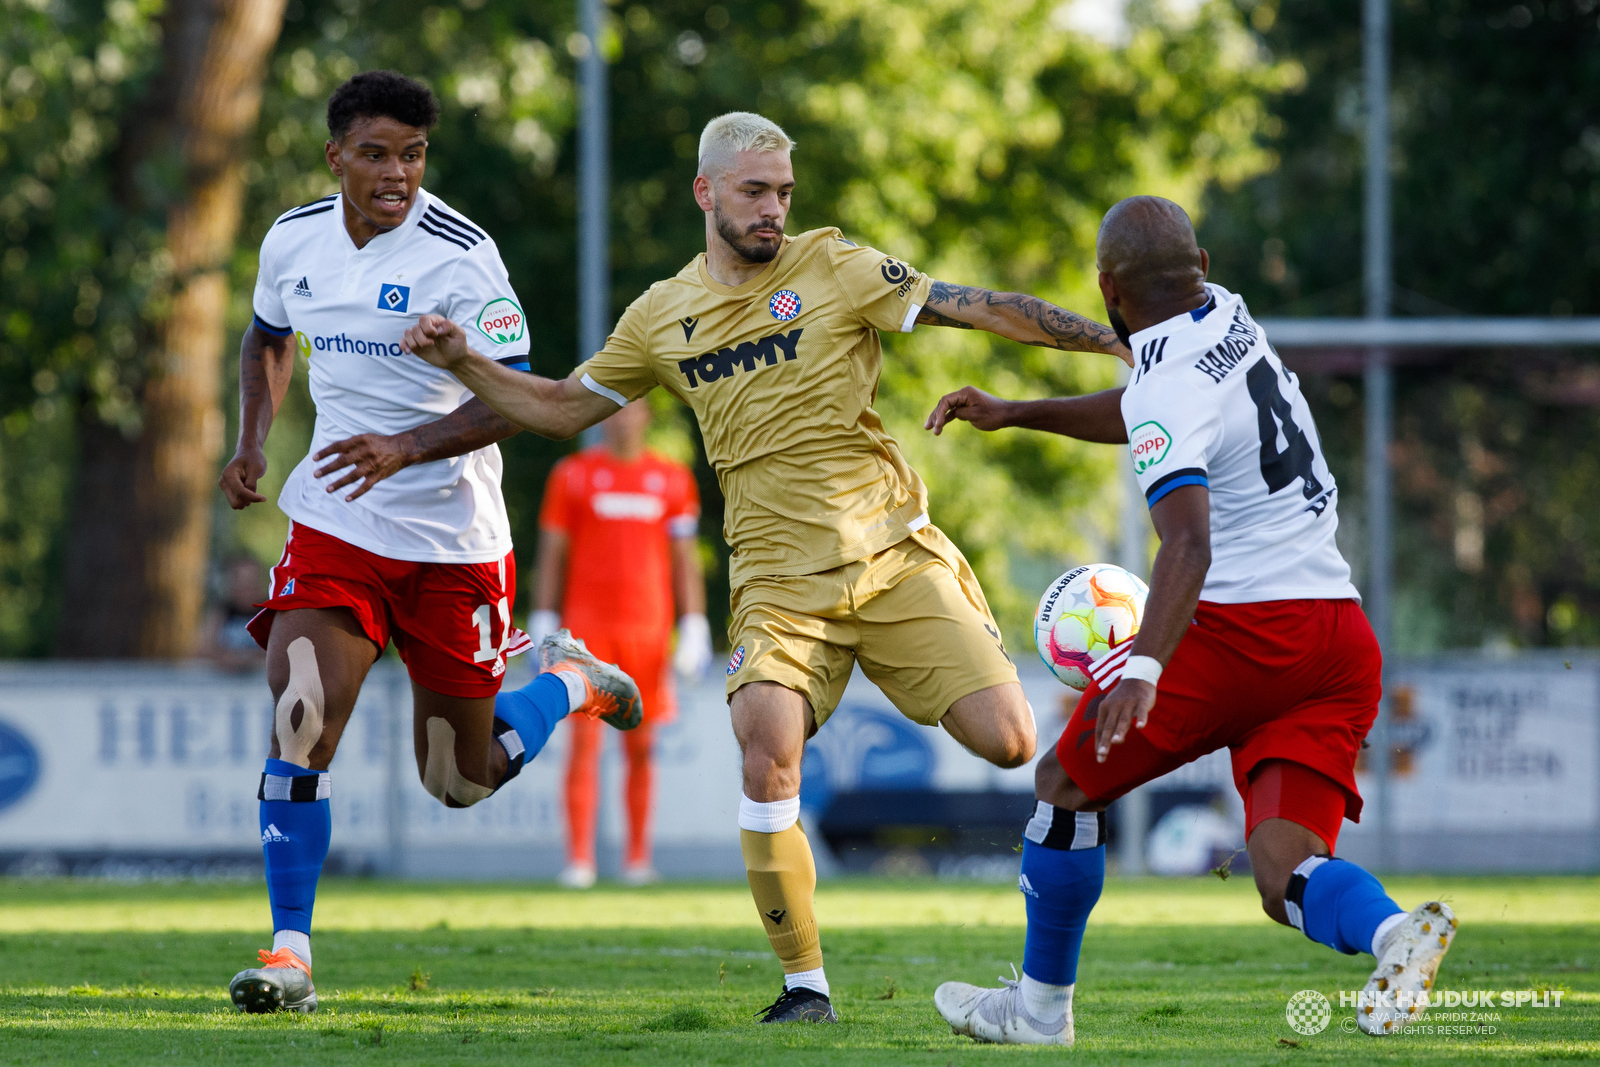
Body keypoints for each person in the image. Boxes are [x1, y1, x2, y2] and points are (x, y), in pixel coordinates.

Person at [398, 111, 1130, 1024]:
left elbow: (974, 305)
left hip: (894, 558)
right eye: (754, 191)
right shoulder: (662, 315)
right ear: (706, 192)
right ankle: (805, 986)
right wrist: (465, 359)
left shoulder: (837, 265)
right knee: (767, 754)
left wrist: (1116, 341)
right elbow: (551, 411)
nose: (773, 209)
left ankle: (1021, 977)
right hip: (779, 588)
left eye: (783, 192)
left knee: (1013, 741)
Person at [923, 196, 1456, 1045]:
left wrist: (1144, 667)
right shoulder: (1230, 314)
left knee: (1064, 786)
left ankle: (1039, 1012)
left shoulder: (1167, 385)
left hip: (1248, 632)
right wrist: (1020, 411)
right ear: (1200, 263)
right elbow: (1149, 411)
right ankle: (1397, 934)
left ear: (1107, 287)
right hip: (1339, 640)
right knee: (1283, 871)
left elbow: (1188, 543)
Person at [215, 70, 641, 1015]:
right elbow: (266, 337)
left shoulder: (465, 256)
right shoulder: (292, 237)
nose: (397, 172)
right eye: (376, 153)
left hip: (453, 541)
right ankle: (290, 953)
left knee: (458, 779)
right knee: (298, 718)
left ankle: (571, 682)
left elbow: (525, 401)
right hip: (336, 518)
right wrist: (249, 443)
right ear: (336, 157)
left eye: (411, 154)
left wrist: (408, 445)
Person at [529, 398, 712, 887]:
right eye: (612, 410)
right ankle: (580, 860)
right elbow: (552, 552)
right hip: (588, 632)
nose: (621, 419)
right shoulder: (572, 475)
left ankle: (637, 859)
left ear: (645, 416)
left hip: (649, 631)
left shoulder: (672, 480)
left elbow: (685, 559)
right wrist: (543, 616)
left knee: (642, 745)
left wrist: (694, 625)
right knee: (583, 745)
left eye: (630, 410)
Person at [201, 557, 270, 673]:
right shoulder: (221, 612)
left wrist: (250, 659)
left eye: (251, 582)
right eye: (241, 582)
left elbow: (283, 650)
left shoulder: (270, 614)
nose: (246, 589)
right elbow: (202, 648)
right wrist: (225, 657)